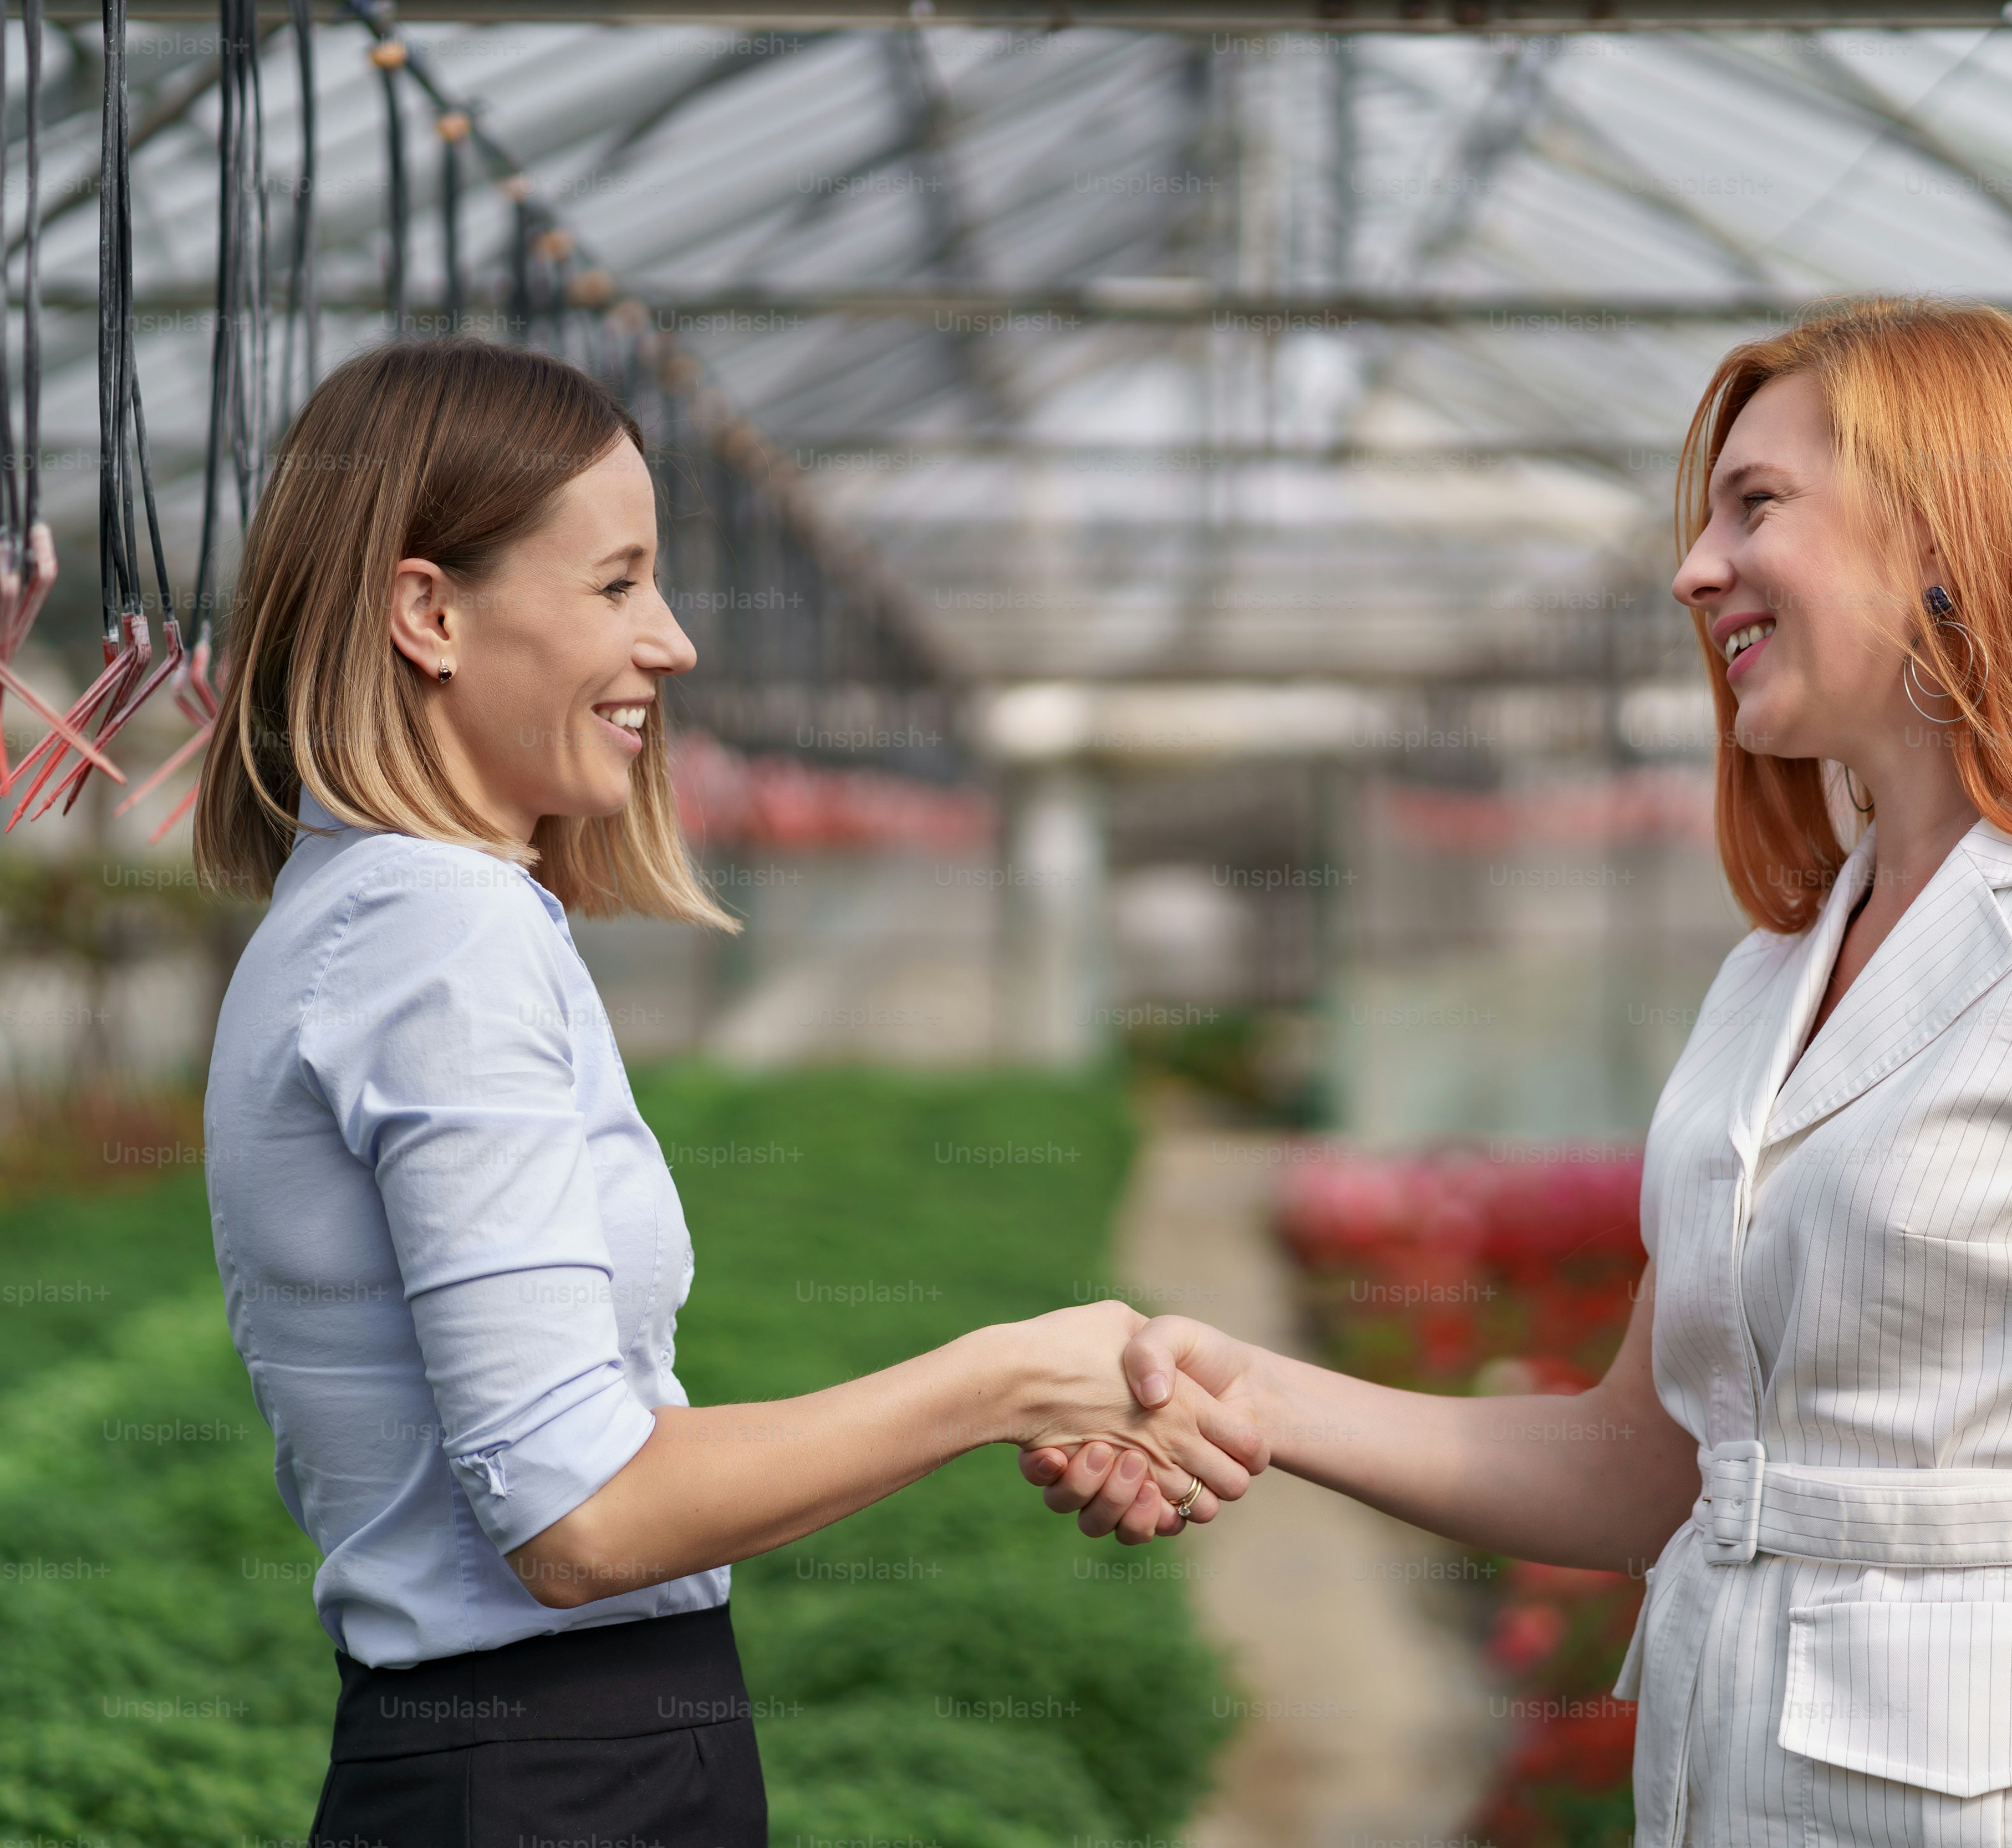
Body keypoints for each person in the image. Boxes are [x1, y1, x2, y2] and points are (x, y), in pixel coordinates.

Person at [1030, 297, 2012, 1848]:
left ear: (1950, 530)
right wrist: (1247, 1388)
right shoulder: (1772, 977)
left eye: (1756, 505)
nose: (1692, 568)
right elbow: (1639, 1463)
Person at [196, 338, 1258, 1848]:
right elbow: (585, 1519)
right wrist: (1001, 1380)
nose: (675, 641)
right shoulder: (441, 933)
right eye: (618, 583)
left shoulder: (372, 914)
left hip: (537, 1761)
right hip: (556, 1779)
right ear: (427, 613)